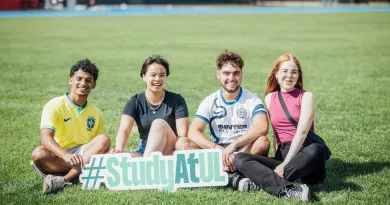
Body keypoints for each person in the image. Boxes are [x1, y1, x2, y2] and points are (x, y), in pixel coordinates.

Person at [233, 54, 328, 201]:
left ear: (298, 75)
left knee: (317, 150)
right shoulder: (270, 98)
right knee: (240, 158)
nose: (289, 76)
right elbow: (276, 133)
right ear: (276, 74)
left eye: (294, 72)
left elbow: (302, 132)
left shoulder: (306, 96)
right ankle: (285, 186)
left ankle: (264, 182)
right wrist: (280, 160)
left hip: (305, 158)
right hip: (283, 156)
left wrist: (285, 164)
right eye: (284, 71)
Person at [176, 50, 270, 176]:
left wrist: (234, 147)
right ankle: (231, 167)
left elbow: (262, 127)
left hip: (243, 149)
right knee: (182, 144)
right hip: (217, 150)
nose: (231, 78)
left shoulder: (251, 99)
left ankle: (229, 165)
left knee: (262, 142)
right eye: (226, 73)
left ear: (241, 74)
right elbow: (193, 131)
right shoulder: (210, 100)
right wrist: (218, 149)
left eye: (236, 73)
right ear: (218, 74)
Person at [30, 59, 111, 194]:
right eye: (79, 78)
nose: (83, 83)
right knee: (38, 154)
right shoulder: (55, 105)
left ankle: (63, 179)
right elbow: (45, 138)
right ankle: (80, 173)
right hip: (60, 154)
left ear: (94, 84)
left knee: (104, 139)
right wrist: (66, 155)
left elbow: (100, 147)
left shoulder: (96, 112)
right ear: (71, 80)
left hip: (84, 153)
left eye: (88, 80)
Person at [110, 55, 189, 157]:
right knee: (121, 157)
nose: (158, 79)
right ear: (143, 76)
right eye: (153, 75)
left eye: (162, 75)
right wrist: (119, 150)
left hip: (169, 148)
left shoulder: (177, 100)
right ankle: (147, 162)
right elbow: (124, 130)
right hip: (144, 149)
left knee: (159, 124)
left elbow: (182, 136)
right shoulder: (135, 101)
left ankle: (146, 164)